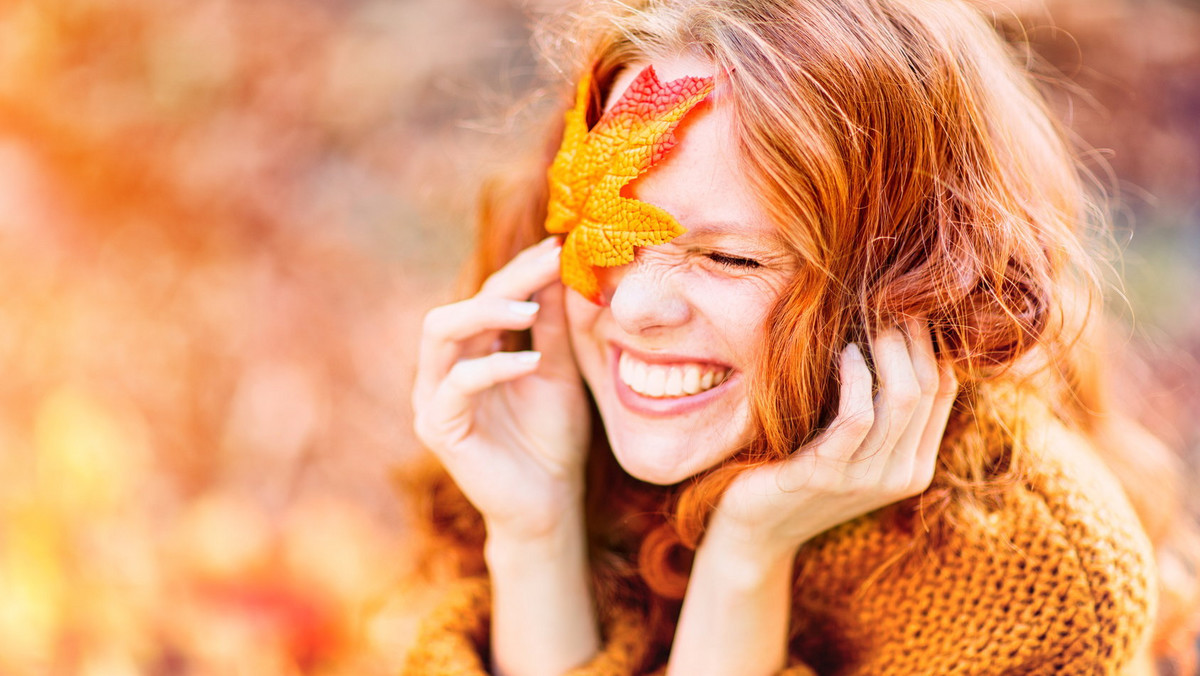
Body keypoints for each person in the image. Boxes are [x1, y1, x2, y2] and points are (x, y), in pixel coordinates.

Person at [403, 0, 1198, 673]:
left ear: (908, 282)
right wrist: (535, 534)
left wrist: (746, 562)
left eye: (729, 256)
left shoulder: (1036, 582)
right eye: (600, 229)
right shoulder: (564, 425)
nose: (636, 307)